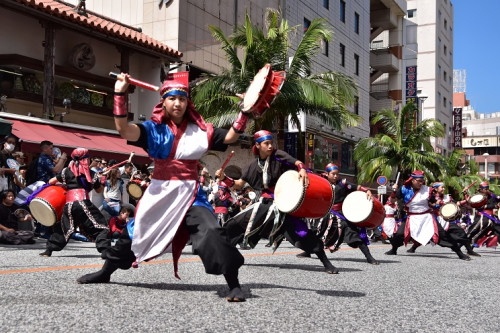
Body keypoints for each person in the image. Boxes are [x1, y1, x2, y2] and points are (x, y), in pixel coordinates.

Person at [77, 76, 248, 302]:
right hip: (161, 193)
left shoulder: (201, 131)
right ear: (163, 103)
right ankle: (106, 272)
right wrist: (120, 94)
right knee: (134, 233)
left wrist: (244, 112)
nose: (177, 104)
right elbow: (123, 129)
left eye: (182, 99)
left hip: (190, 196)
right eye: (172, 99)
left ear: (188, 103)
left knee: (211, 231)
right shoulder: (152, 130)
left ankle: (234, 284)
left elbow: (229, 136)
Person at [221, 130, 339, 274]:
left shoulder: (278, 156)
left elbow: (296, 162)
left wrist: (302, 169)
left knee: (301, 233)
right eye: (266, 143)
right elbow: (238, 185)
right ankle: (226, 255)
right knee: (235, 224)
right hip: (265, 205)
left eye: (271, 143)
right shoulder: (251, 166)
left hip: (283, 205)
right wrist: (224, 178)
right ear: (258, 146)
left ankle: (326, 262)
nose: (270, 146)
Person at [39, 148, 111, 257]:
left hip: (69, 205)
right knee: (100, 225)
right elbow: (99, 190)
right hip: (83, 203)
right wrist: (102, 181)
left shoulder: (66, 171)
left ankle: (49, 250)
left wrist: (65, 186)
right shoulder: (91, 174)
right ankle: (105, 251)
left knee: (64, 228)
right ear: (86, 159)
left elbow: (51, 181)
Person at [303, 163, 379, 265]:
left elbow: (357, 187)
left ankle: (369, 257)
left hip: (341, 215)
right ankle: (308, 252)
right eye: (333, 174)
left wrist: (367, 190)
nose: (335, 176)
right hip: (326, 215)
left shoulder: (343, 183)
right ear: (327, 174)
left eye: (337, 174)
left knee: (353, 235)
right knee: (316, 233)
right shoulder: (322, 184)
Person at [385, 171, 471, 260]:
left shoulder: (427, 190)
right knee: (399, 234)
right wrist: (394, 191)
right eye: (419, 181)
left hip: (427, 217)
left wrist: (442, 203)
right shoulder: (403, 189)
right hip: (411, 217)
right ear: (412, 180)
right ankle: (393, 250)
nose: (421, 183)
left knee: (443, 235)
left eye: (422, 181)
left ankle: (460, 253)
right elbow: (392, 200)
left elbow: (433, 202)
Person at [466, 181, 500, 246]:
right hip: (481, 217)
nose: (487, 190)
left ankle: (472, 246)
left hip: (492, 218)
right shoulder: (478, 197)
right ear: (481, 189)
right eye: (485, 189)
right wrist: (465, 194)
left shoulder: (492, 195)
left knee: (496, 229)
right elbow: (473, 204)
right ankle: (462, 243)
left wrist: (496, 204)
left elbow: (498, 199)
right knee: (473, 231)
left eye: (488, 188)